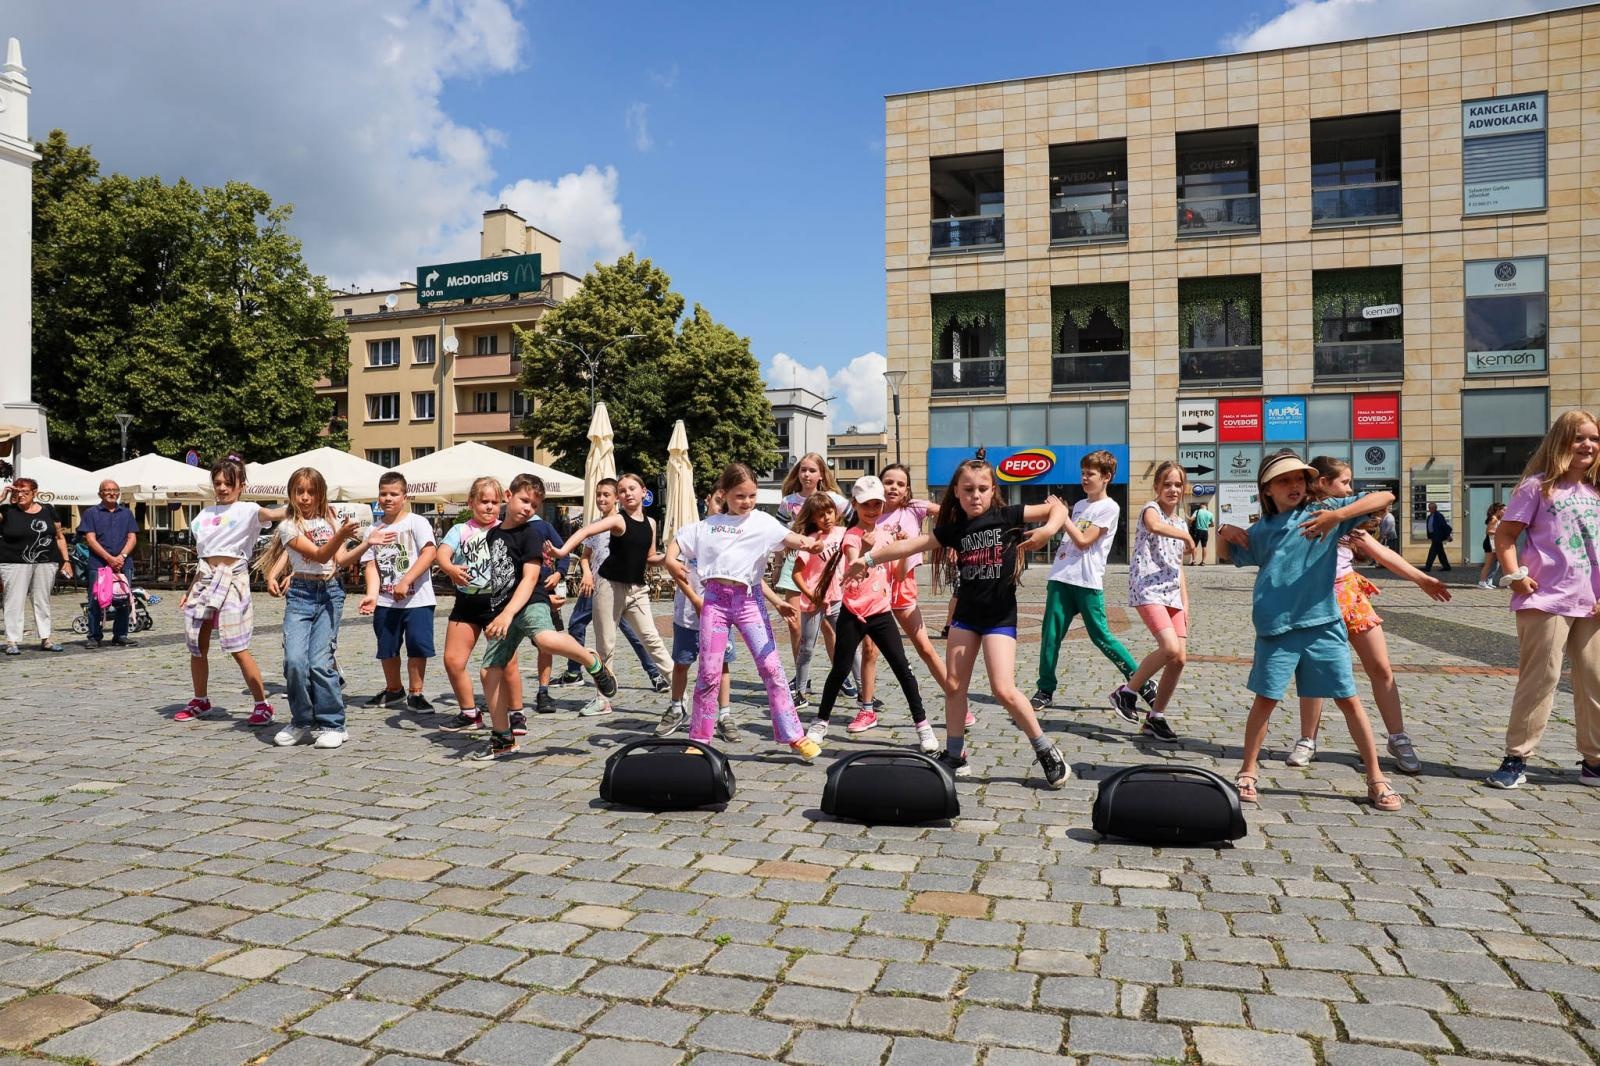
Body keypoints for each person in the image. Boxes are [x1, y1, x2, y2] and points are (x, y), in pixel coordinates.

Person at [851, 458, 1071, 786]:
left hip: (999, 617)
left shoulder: (1007, 515)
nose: (976, 495)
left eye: (983, 489)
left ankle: (1045, 749)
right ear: (956, 491)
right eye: (968, 490)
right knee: (954, 686)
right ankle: (956, 755)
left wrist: (1048, 532)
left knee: (1003, 689)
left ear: (993, 490)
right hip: (966, 618)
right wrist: (867, 559)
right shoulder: (953, 529)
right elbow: (912, 544)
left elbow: (1059, 510)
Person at [1216, 451, 1399, 811]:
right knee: (1265, 701)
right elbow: (1227, 554)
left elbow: (1385, 497)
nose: (1293, 485)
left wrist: (1338, 516)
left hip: (1324, 625)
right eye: (1283, 480)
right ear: (1267, 490)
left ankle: (1376, 777)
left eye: (1299, 478)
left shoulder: (1325, 515)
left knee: (1349, 701)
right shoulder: (1263, 530)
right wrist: (1223, 531)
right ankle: (1248, 770)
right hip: (1277, 629)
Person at [1289, 456, 1451, 774]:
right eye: (1345, 482)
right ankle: (1308, 738)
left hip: (1349, 595)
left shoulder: (1347, 519)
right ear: (1322, 482)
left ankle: (1398, 737)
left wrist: (1423, 579)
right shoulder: (1301, 516)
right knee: (1314, 674)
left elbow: (1382, 551)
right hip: (1315, 603)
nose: (1350, 487)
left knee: (1380, 667)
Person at [667, 463, 822, 758]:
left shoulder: (762, 522)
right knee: (709, 673)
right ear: (724, 494)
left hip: (749, 602)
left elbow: (791, 538)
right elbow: (675, 543)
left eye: (752, 495)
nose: (747, 502)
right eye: (740, 496)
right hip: (715, 602)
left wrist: (809, 544)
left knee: (772, 668)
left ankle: (794, 735)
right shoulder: (706, 526)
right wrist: (672, 560)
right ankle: (700, 739)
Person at [1483, 410, 1600, 790]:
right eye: (1579, 438)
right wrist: (1515, 576)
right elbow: (1505, 537)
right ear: (1560, 442)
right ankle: (1516, 757)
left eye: (1594, 439)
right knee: (1541, 680)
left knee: (1595, 680)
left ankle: (1594, 761)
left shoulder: (1597, 490)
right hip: (1546, 598)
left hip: (1592, 602)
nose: (1588, 445)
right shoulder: (1537, 487)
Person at [469, 475, 618, 760]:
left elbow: (529, 578)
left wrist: (510, 612)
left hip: (530, 602)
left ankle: (592, 661)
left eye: (535, 505)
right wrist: (497, 614)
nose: (528, 508)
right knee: (489, 671)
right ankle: (502, 738)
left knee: (545, 640)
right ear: (508, 495)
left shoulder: (533, 533)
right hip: (504, 611)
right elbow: (501, 578)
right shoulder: (493, 534)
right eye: (524, 500)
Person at [804, 476, 937, 753]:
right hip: (852, 613)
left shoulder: (887, 535)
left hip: (881, 612)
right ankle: (820, 722)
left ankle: (923, 726)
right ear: (855, 504)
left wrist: (900, 551)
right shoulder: (851, 535)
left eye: (877, 504)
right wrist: (866, 547)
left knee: (903, 668)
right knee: (840, 670)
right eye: (866, 505)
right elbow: (854, 564)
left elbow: (899, 575)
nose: (873, 510)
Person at [1030, 451, 1158, 726]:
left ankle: (1141, 682)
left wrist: (1062, 515)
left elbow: (1085, 540)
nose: (1085, 478)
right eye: (1083, 473)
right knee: (1050, 637)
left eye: (1091, 474)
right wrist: (1062, 517)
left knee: (1102, 637)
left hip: (1087, 582)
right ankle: (1045, 689)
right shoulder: (1078, 506)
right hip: (1061, 578)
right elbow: (1068, 540)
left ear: (1107, 477)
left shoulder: (1109, 508)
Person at [256, 467, 375, 749]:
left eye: (311, 491)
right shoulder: (287, 527)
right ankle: (301, 720)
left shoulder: (330, 518)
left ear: (321, 493)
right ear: (291, 494)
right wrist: (273, 574)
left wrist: (367, 542)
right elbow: (319, 553)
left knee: (320, 663)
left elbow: (341, 559)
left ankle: (333, 723)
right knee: (295, 662)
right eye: (300, 491)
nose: (306, 497)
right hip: (300, 595)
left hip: (330, 594)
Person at [176, 458, 288, 724]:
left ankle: (262, 704)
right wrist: (189, 589)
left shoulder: (248, 510)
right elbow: (203, 557)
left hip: (232, 581)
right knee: (197, 645)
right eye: (218, 483)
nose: (223, 488)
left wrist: (306, 502)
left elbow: (275, 514)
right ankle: (200, 699)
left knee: (238, 647)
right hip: (205, 582)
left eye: (229, 483)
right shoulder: (203, 516)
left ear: (241, 485)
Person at [550, 473, 672, 699]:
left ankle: (674, 686)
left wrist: (670, 558)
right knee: (601, 641)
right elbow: (585, 540)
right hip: (605, 584)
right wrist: (565, 554)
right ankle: (597, 693)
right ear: (620, 497)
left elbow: (651, 556)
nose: (627, 494)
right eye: (623, 490)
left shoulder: (649, 523)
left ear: (643, 492)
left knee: (648, 637)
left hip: (634, 588)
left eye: (631, 489)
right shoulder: (612, 521)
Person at [1111, 461, 1192, 740]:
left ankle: (1155, 718)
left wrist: (1185, 604)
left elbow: (1178, 568)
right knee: (1168, 647)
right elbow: (1154, 526)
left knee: (1179, 658)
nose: (1173, 489)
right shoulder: (1151, 509)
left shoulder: (1180, 521)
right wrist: (1185, 535)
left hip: (1172, 594)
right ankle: (1127, 693)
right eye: (1167, 484)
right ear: (1157, 487)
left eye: (1178, 484)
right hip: (1148, 589)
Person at [878, 464, 952, 721]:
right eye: (889, 482)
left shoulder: (914, 508)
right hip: (875, 589)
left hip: (903, 586)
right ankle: (866, 708)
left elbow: (949, 513)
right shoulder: (870, 512)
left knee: (925, 648)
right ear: (880, 484)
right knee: (869, 652)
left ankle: (956, 700)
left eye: (900, 484)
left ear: (907, 489)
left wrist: (954, 540)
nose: (894, 488)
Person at [777, 452, 854, 702]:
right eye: (803, 470)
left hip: (825, 566)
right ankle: (802, 678)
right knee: (796, 623)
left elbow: (854, 524)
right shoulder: (788, 501)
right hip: (796, 563)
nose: (806, 474)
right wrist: (778, 565)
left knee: (830, 627)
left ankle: (841, 674)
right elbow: (778, 535)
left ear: (822, 474)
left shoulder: (833, 499)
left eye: (811, 470)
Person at [360, 471, 438, 711]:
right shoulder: (372, 530)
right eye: (384, 494)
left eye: (394, 494)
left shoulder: (417, 522)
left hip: (418, 599)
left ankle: (416, 692)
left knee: (417, 645)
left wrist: (406, 580)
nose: (388, 498)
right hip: (386, 601)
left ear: (405, 496)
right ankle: (394, 689)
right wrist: (372, 595)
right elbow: (371, 565)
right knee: (387, 647)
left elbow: (429, 553)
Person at [435, 477, 504, 734]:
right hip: (467, 601)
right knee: (453, 660)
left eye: (494, 502)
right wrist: (451, 569)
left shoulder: (506, 529)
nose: (489, 507)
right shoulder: (460, 529)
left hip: (498, 603)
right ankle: (469, 712)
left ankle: (514, 713)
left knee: (505, 663)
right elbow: (441, 554)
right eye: (484, 501)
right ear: (471, 502)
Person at [0, 477, 72, 655]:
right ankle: (12, 640)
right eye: (17, 491)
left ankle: (46, 638)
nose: (20, 495)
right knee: (13, 601)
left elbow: (59, 536)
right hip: (13, 562)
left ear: (34, 493)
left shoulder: (48, 510)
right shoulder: (7, 510)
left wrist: (66, 560)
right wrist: (1, 498)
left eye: (25, 492)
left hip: (45, 561)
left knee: (42, 600)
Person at [78, 479, 140, 648]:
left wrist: (122, 556)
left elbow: (132, 537)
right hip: (98, 563)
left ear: (118, 493)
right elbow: (90, 539)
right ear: (100, 493)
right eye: (107, 490)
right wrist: (109, 558)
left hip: (123, 563)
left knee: (123, 599)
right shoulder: (91, 513)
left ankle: (120, 635)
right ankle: (94, 635)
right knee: (95, 600)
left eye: (114, 490)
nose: (111, 493)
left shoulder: (126, 513)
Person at [1477, 502, 1507, 589]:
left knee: (1497, 564)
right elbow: (1489, 531)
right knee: (1488, 564)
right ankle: (1482, 582)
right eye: (1504, 510)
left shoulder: (1498, 519)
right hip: (1490, 543)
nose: (1506, 512)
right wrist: (1501, 533)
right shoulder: (1493, 519)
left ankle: (1489, 581)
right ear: (1498, 510)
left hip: (1495, 543)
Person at [1423, 501, 1453, 572]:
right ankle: (1446, 566)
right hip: (1433, 536)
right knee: (1440, 552)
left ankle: (1428, 567)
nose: (1430, 509)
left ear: (1435, 508)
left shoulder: (1439, 516)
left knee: (1432, 552)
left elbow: (1444, 526)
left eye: (1431, 508)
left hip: (1438, 536)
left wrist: (1448, 535)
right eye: (1429, 508)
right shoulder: (1429, 516)